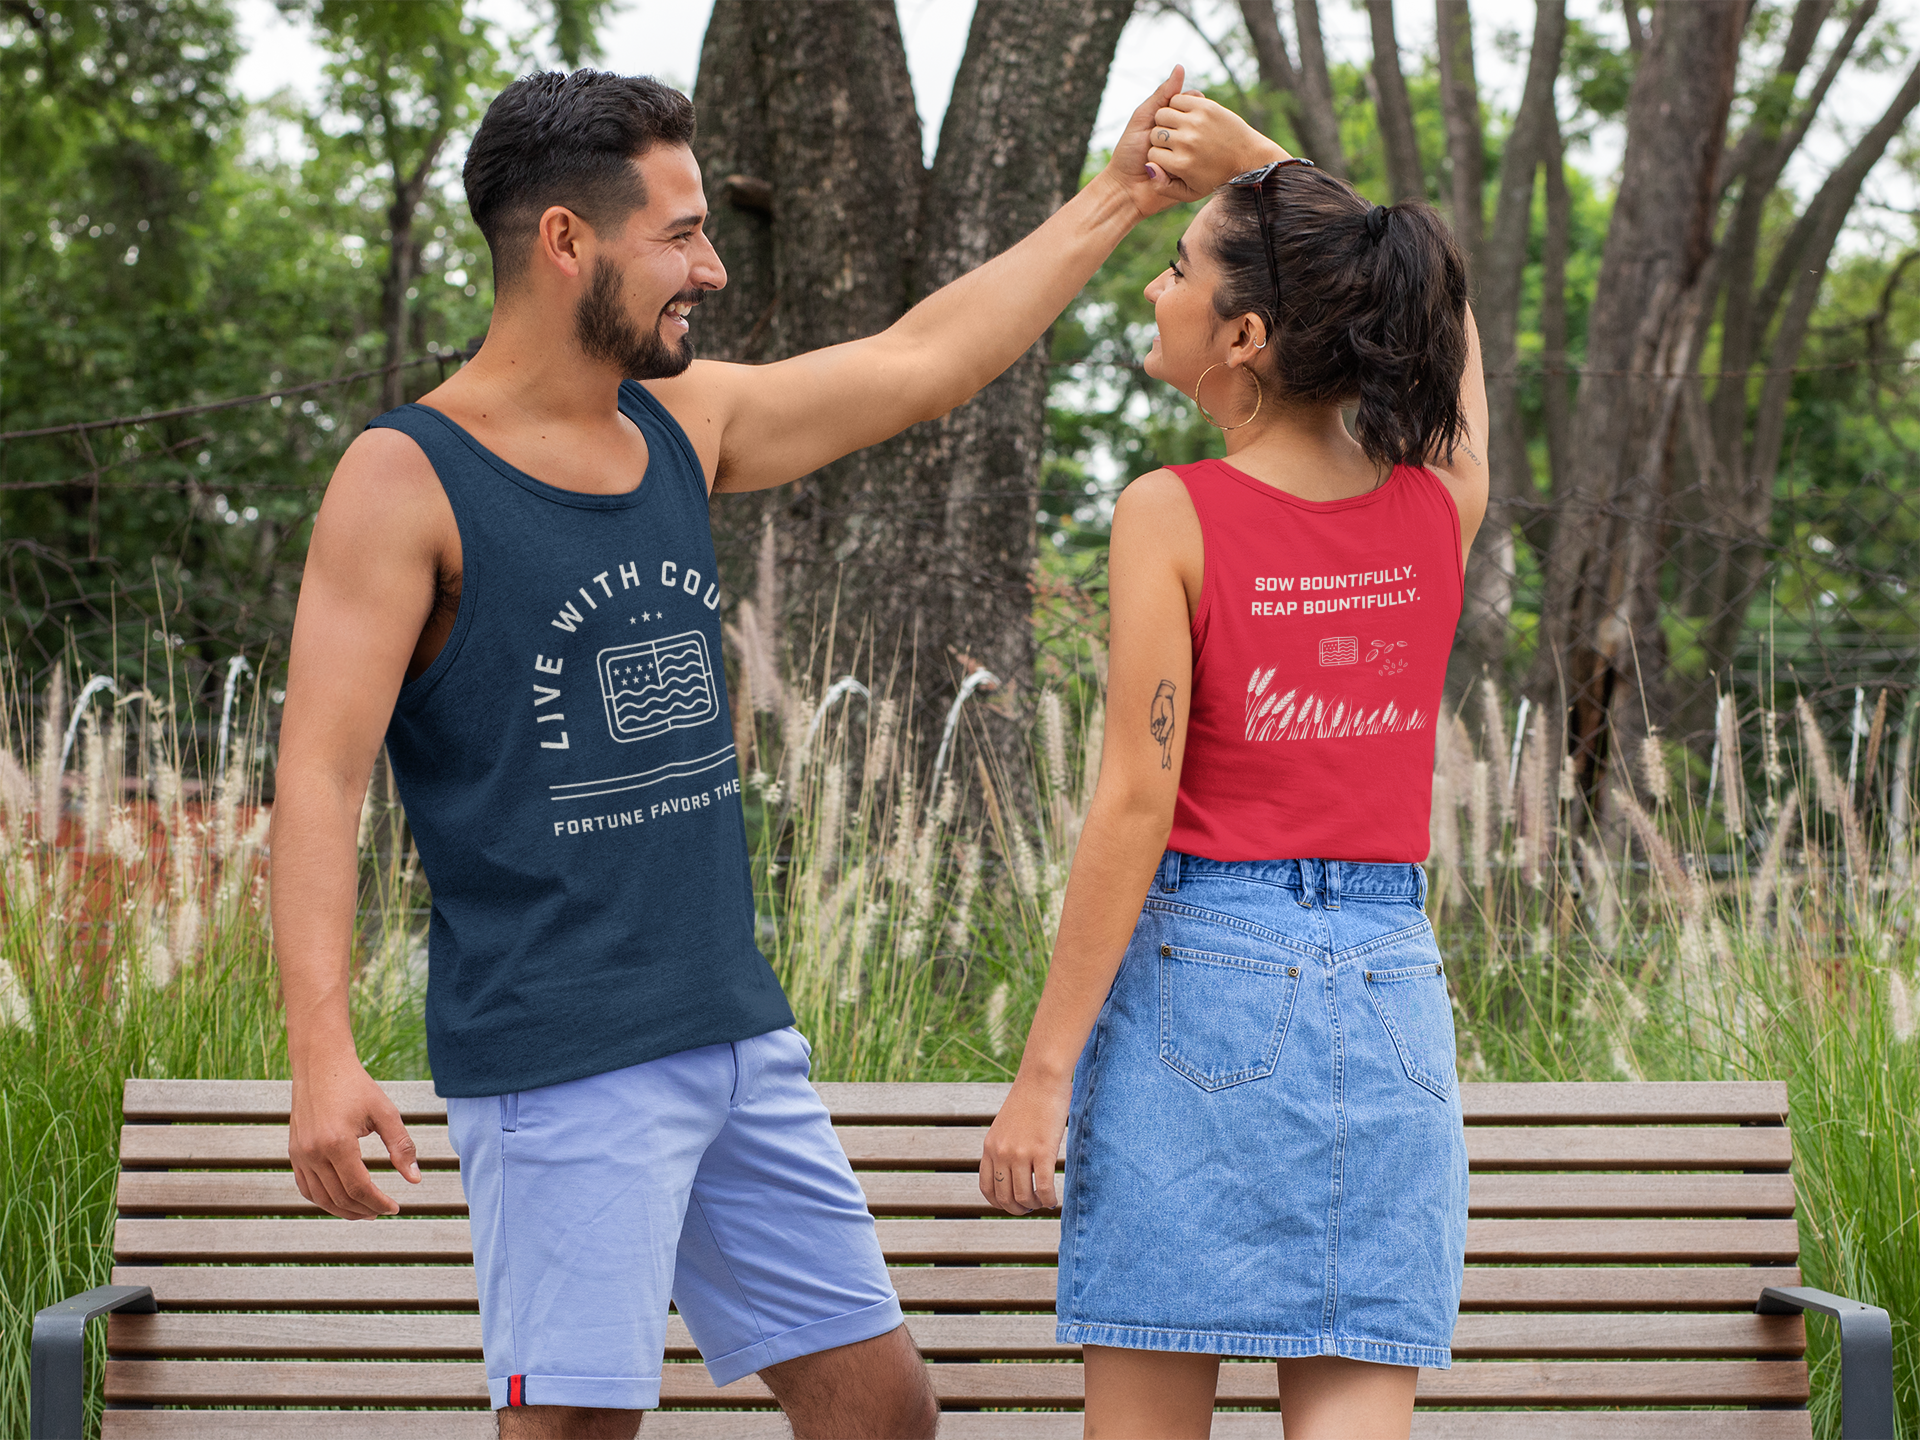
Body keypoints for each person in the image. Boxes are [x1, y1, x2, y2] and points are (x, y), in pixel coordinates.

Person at [272, 64, 1273, 1440]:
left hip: (733, 1034)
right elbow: (317, 780)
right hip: (562, 1054)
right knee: (573, 1427)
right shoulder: (405, 477)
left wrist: (1116, 196)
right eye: (680, 234)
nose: (714, 267)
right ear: (567, 242)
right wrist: (319, 1051)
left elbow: (927, 363)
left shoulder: (679, 422)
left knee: (881, 1416)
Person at [978, 99, 1487, 1440]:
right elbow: (1455, 330)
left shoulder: (1173, 512)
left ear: (1245, 338)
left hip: (1206, 976)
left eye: (1181, 269)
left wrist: (1042, 1074)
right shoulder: (1438, 499)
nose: (1156, 287)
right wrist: (1268, 165)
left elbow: (1135, 802)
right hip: (1391, 992)